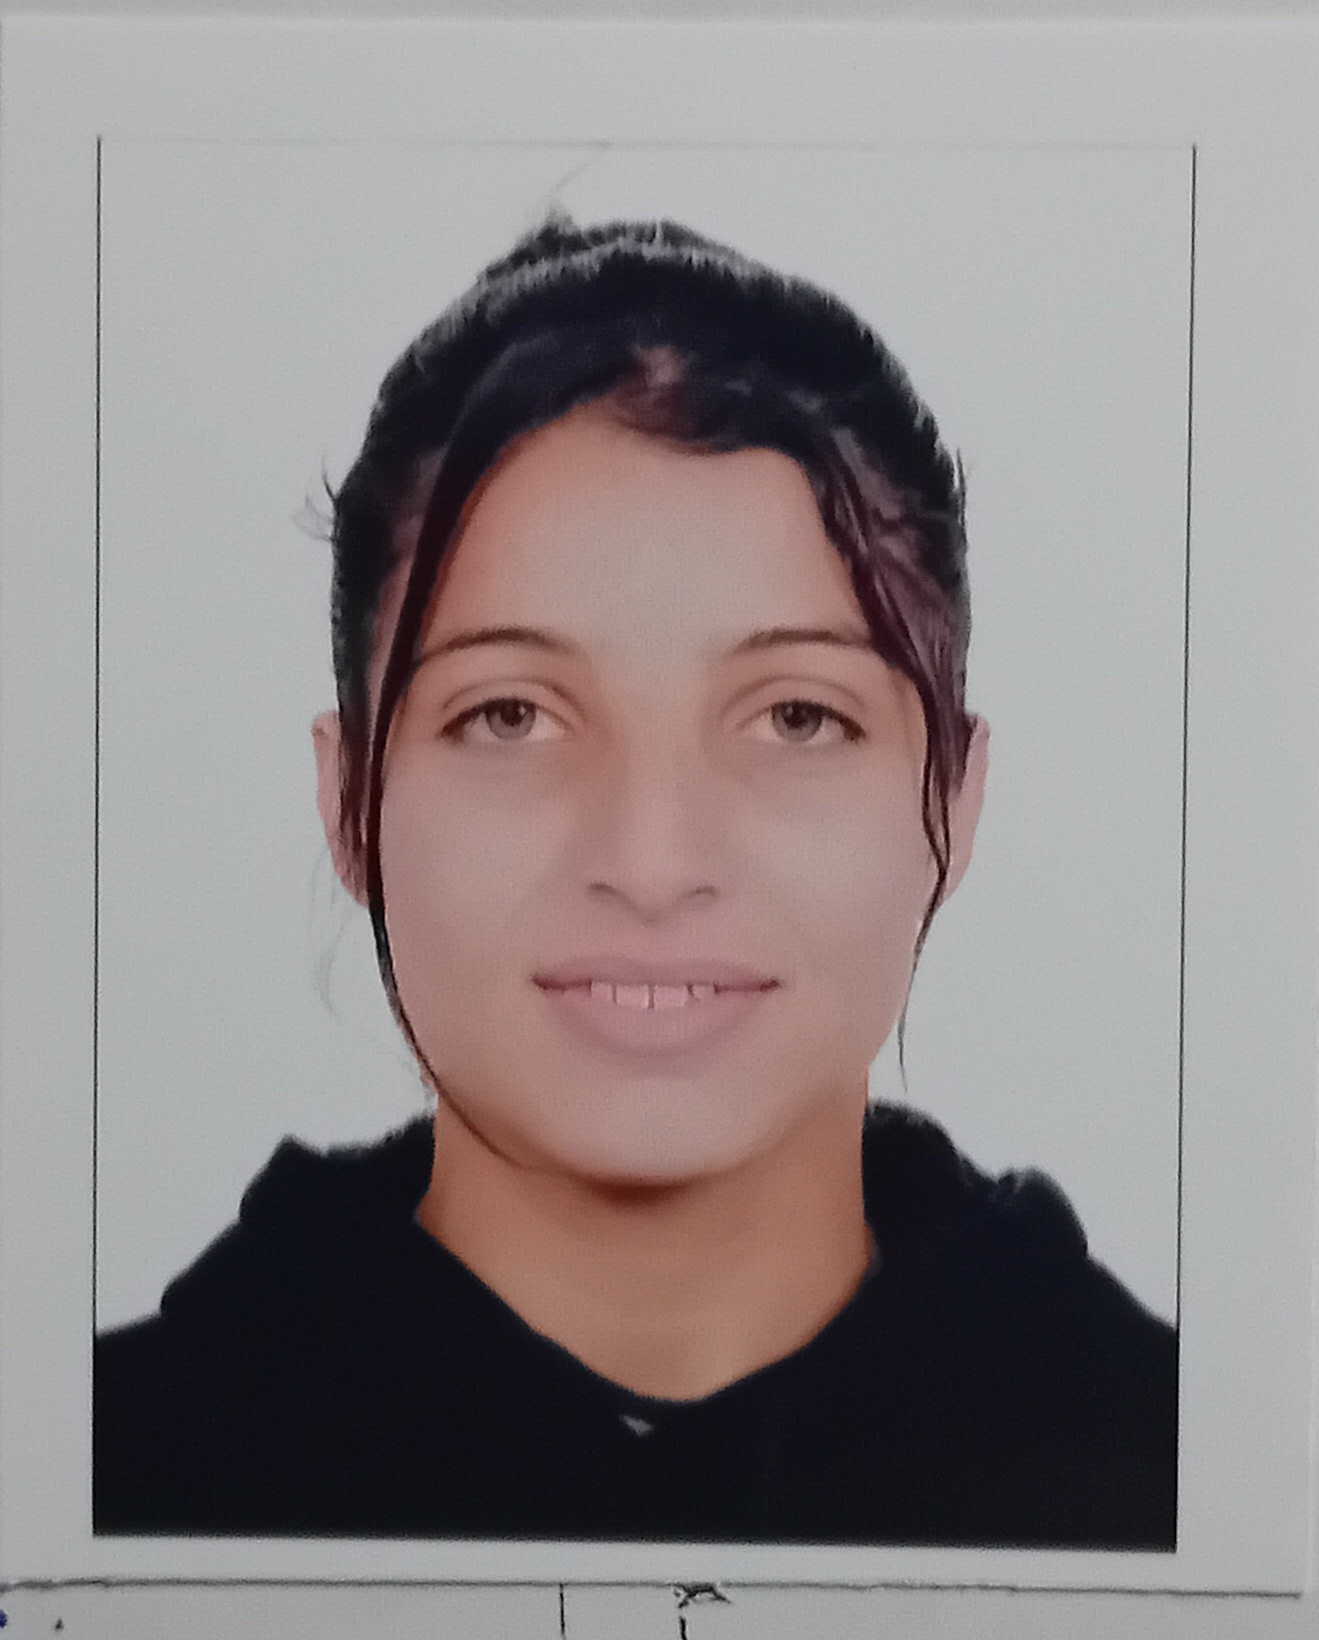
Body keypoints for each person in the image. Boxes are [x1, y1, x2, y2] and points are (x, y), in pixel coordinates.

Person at [93, 213, 1177, 1547]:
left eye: (795, 717)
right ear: (349, 800)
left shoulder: (1199, 1480)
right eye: (510, 716)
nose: (653, 863)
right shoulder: (90, 1477)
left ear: (953, 800)